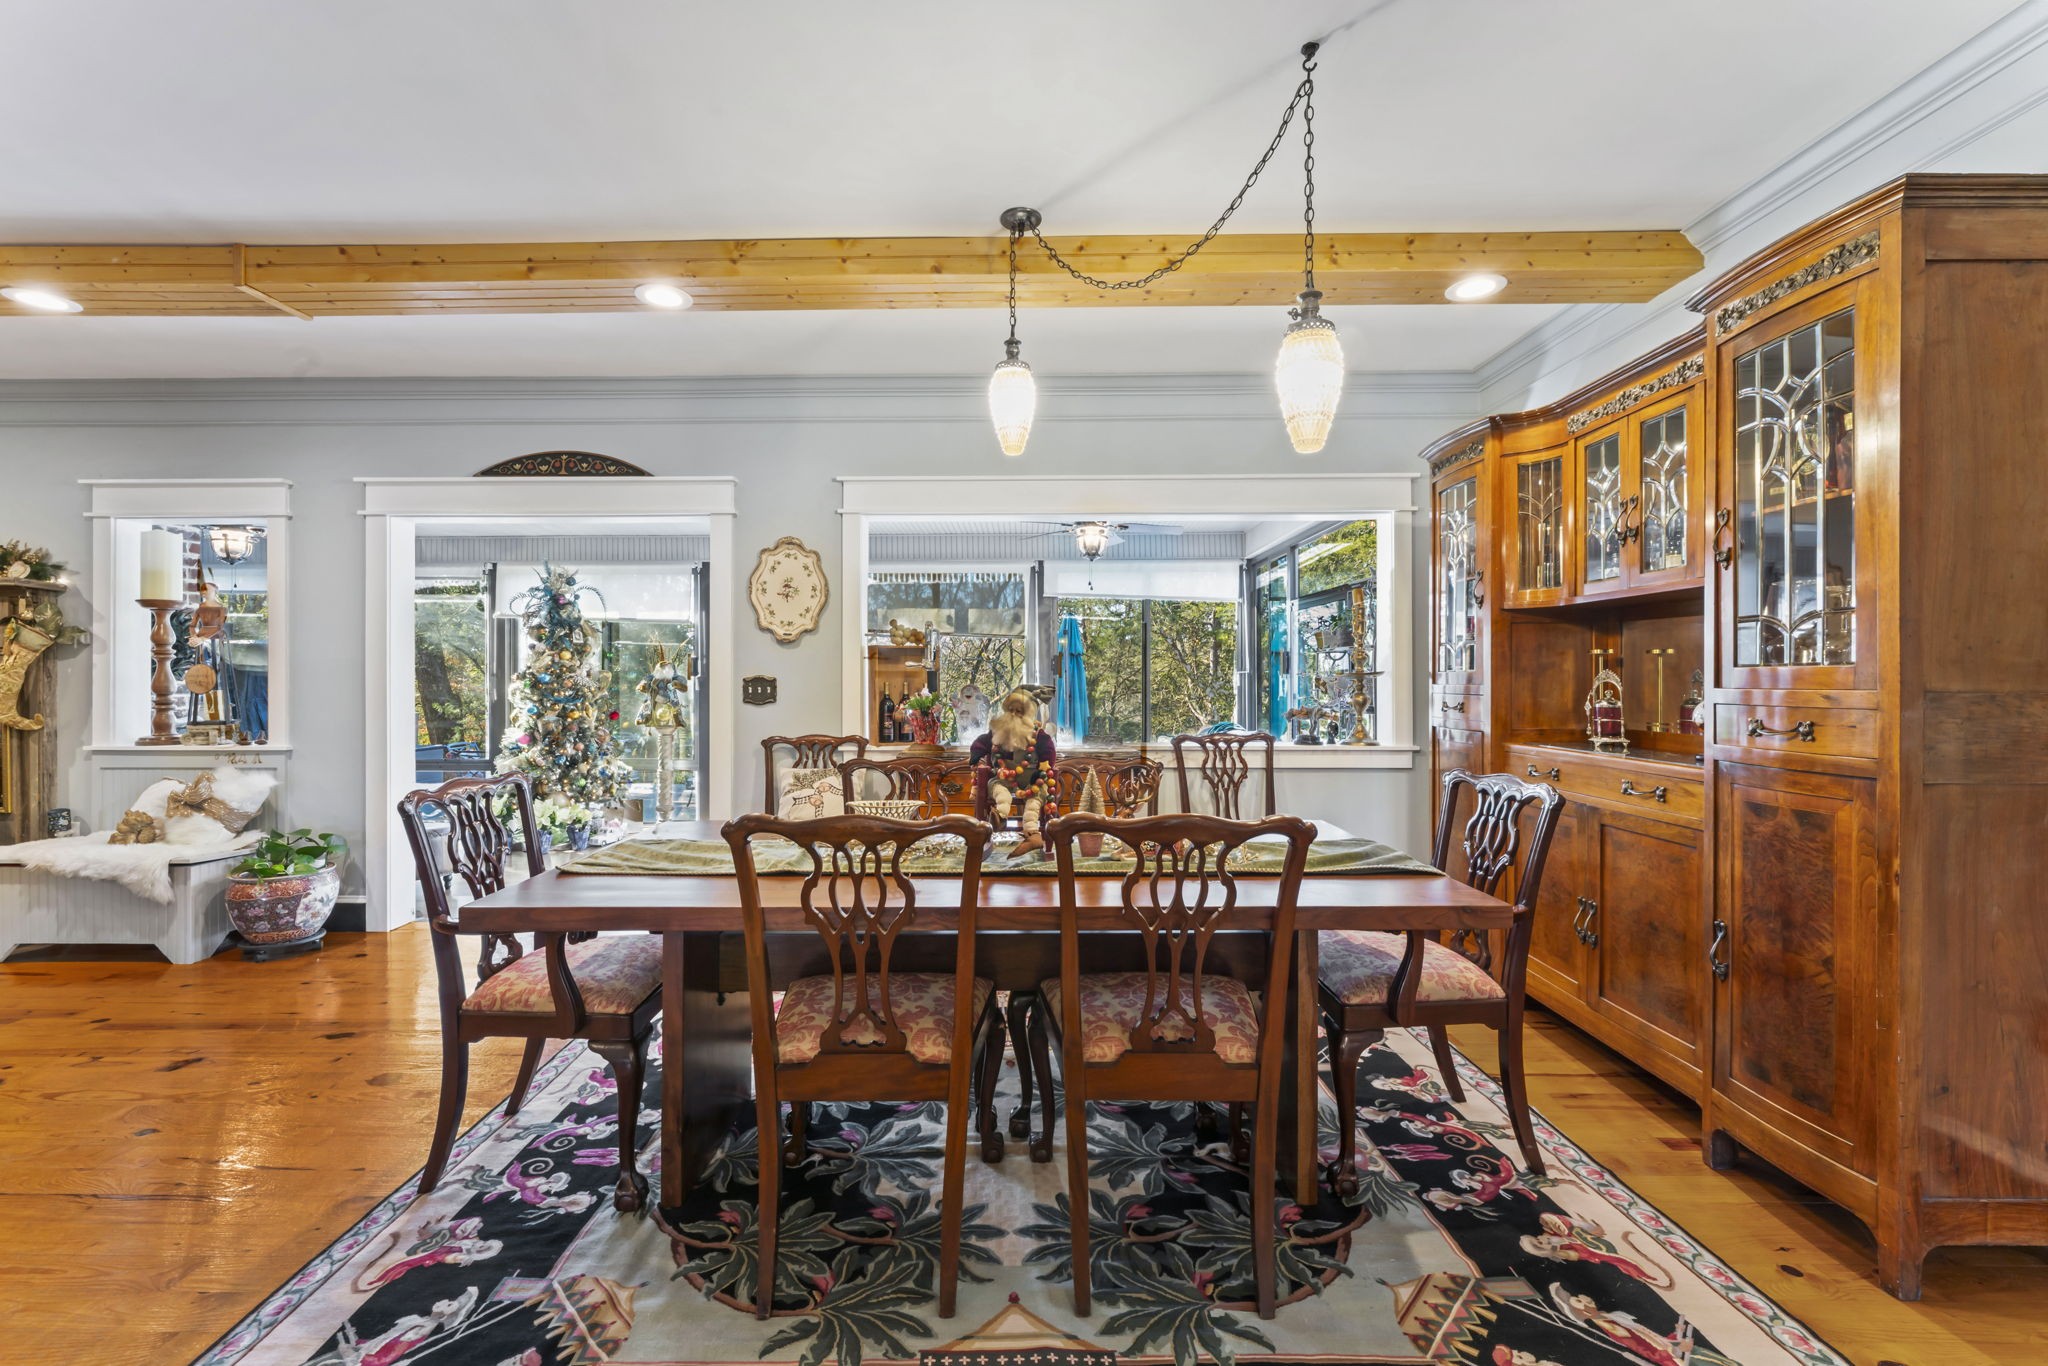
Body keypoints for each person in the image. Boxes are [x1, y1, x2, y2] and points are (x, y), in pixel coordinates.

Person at [969, 688, 1056, 857]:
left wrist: (1045, 766)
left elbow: (1048, 750)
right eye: (1011, 710)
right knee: (996, 786)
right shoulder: (998, 732)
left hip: (1033, 778)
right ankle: (999, 817)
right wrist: (976, 757)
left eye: (1019, 711)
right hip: (1004, 777)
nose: (1014, 714)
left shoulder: (1038, 735)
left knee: (1037, 794)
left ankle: (1032, 835)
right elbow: (980, 744)